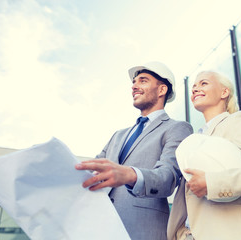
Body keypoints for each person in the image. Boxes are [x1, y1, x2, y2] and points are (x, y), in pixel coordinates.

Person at [75, 61, 193, 240]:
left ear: (161, 90)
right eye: (134, 82)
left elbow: (167, 178)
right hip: (101, 228)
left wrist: (130, 175)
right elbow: (91, 170)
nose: (134, 86)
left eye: (142, 81)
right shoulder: (118, 135)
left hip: (143, 230)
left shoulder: (177, 129)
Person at [167, 71, 241, 240]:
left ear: (224, 92)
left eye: (203, 83)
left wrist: (211, 182)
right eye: (193, 86)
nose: (195, 89)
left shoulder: (237, 122)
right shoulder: (195, 139)